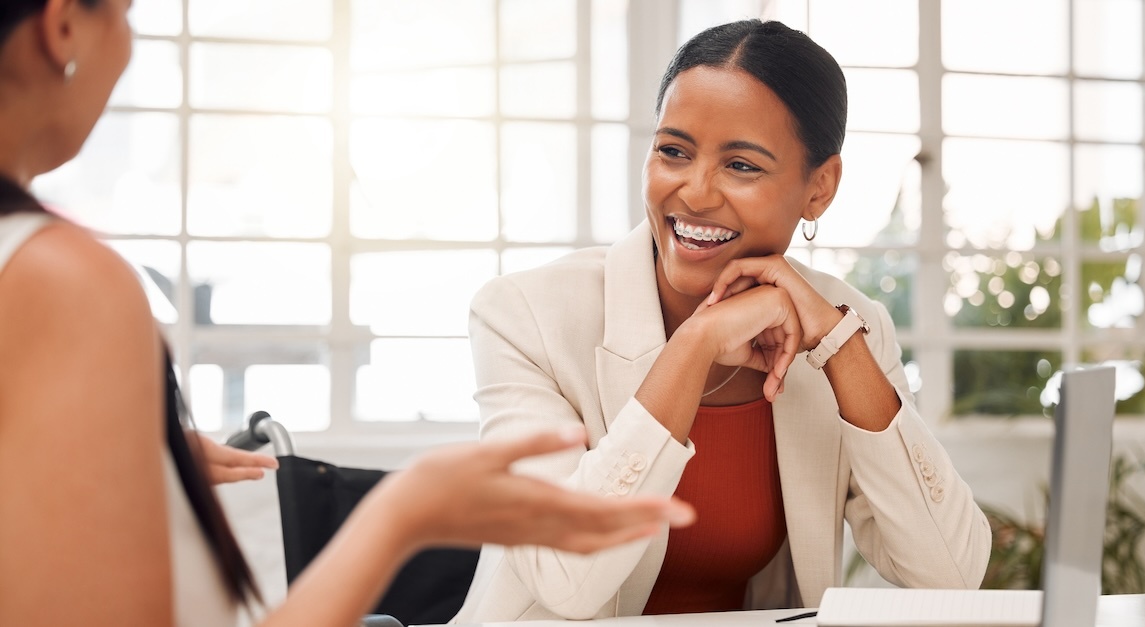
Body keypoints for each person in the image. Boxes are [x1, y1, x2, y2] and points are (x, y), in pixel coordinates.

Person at [0, 2, 695, 626]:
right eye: (124, 14)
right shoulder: (64, 283)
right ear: (62, 25)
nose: (128, 47)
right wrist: (404, 512)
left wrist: (132, 457)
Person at [453, 19, 993, 622]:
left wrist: (841, 348)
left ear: (820, 187)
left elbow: (948, 572)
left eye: (741, 165)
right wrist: (695, 345)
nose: (696, 192)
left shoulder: (848, 326)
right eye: (673, 151)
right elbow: (566, 578)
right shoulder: (524, 315)